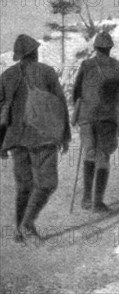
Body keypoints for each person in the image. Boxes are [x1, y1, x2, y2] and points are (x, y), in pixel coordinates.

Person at [0, 34, 71, 242]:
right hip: (43, 136)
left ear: (18, 56)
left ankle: (19, 230)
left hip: (16, 139)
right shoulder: (47, 72)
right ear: (35, 52)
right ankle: (27, 224)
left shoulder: (6, 76)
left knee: (24, 186)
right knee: (47, 183)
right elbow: (60, 104)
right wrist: (64, 135)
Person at [73, 31, 119, 212]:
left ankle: (86, 199)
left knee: (89, 154)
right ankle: (98, 202)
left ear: (95, 47)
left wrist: (80, 111)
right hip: (108, 118)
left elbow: (76, 92)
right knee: (103, 157)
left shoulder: (86, 65)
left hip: (87, 117)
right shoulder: (118, 66)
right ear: (110, 48)